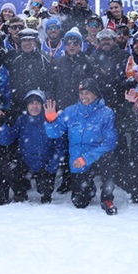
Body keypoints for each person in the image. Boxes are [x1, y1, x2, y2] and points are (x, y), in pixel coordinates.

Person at [44, 79, 119, 214]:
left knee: (109, 159)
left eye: (87, 93)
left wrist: (86, 158)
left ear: (95, 94)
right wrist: (50, 120)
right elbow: (54, 134)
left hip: (97, 157)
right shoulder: (70, 111)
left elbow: (110, 143)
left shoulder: (106, 113)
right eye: (81, 93)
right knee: (79, 203)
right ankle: (89, 188)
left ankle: (107, 198)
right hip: (78, 162)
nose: (84, 97)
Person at [0, 90, 63, 203]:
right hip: (26, 162)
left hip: (45, 164)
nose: (34, 106)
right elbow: (4, 141)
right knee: (10, 168)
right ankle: (20, 194)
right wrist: (7, 125)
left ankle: (46, 194)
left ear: (43, 105)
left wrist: (51, 167)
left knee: (45, 188)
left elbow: (60, 148)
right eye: (31, 103)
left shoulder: (50, 120)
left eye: (37, 103)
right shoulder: (21, 120)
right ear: (27, 105)